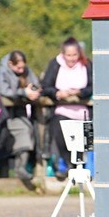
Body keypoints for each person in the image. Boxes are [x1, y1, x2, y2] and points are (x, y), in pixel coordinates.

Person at [41, 37, 93, 180]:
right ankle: (68, 165)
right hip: (61, 111)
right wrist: (58, 93)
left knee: (84, 143)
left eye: (74, 55)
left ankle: (82, 168)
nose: (71, 59)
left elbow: (93, 85)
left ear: (79, 53)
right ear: (63, 54)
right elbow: (45, 86)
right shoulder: (55, 64)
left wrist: (79, 92)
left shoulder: (87, 65)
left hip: (83, 112)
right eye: (68, 55)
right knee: (62, 138)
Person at [0, 50, 42, 188]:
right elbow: (4, 91)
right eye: (18, 68)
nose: (21, 70)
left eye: (23, 67)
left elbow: (34, 83)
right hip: (0, 112)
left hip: (18, 112)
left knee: (26, 131)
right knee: (1, 142)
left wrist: (34, 90)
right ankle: (2, 175)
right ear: (10, 64)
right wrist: (24, 92)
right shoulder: (2, 71)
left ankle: (21, 168)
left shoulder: (25, 70)